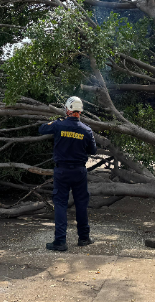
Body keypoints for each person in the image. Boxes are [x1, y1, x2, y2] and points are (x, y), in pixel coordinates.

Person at [39, 96, 97, 251]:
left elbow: (42, 128)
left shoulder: (58, 125)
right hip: (79, 171)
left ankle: (60, 241)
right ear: (80, 111)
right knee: (81, 204)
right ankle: (84, 238)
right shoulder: (87, 130)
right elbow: (93, 150)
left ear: (68, 109)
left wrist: (57, 121)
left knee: (60, 204)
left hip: (62, 171)